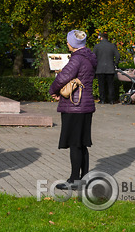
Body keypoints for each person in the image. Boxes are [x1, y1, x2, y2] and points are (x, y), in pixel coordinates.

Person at [49, 30, 97, 190]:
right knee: (82, 144)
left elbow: (62, 78)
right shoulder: (89, 58)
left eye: (68, 42)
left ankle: (74, 181)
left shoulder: (77, 59)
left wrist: (53, 90)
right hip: (86, 106)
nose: (67, 44)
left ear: (74, 44)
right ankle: (84, 178)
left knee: (75, 144)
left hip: (74, 106)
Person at [93, 32, 120, 104]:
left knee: (101, 85)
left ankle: (102, 100)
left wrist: (95, 65)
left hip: (100, 68)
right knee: (110, 85)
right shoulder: (112, 46)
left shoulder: (97, 46)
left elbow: (93, 57)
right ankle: (111, 100)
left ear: (101, 38)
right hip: (110, 68)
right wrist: (115, 63)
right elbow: (117, 55)